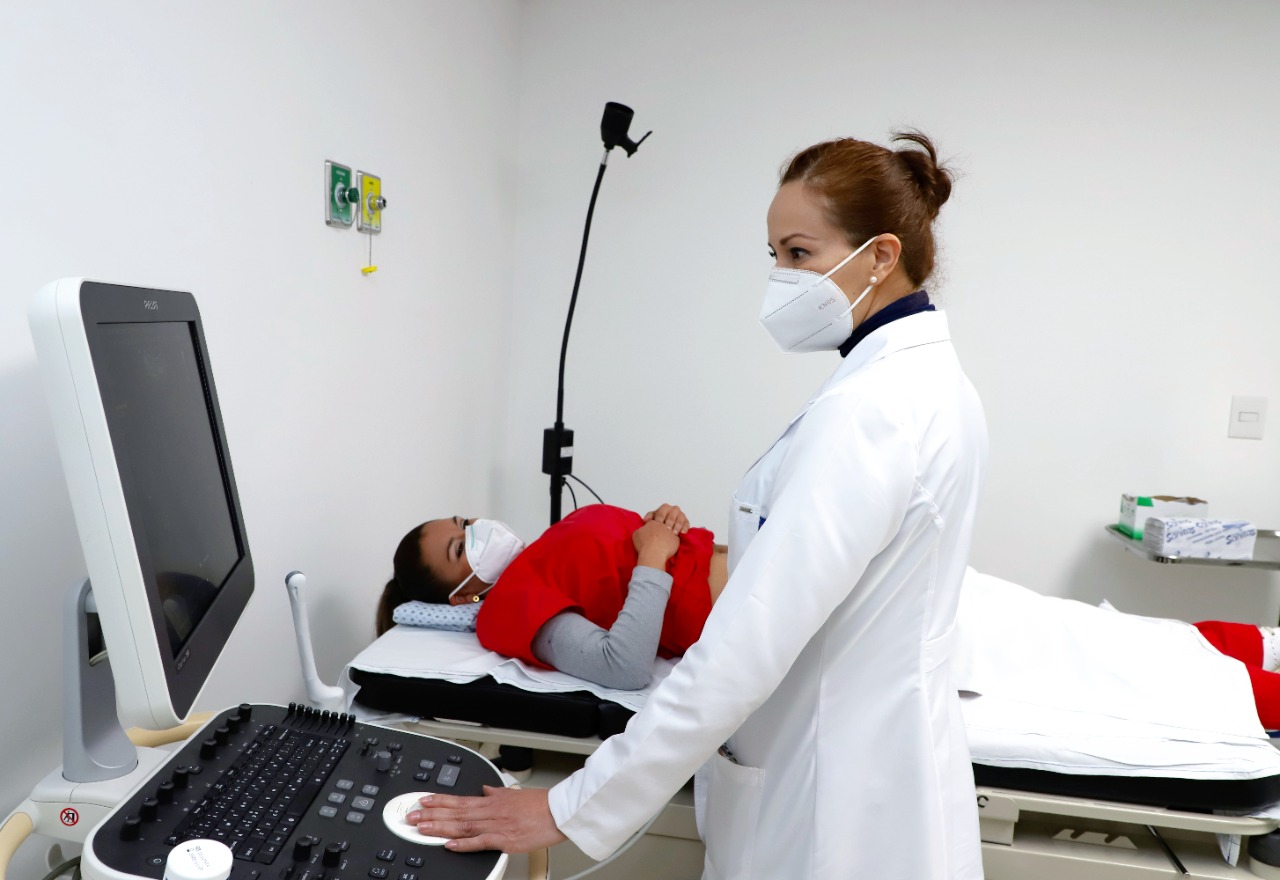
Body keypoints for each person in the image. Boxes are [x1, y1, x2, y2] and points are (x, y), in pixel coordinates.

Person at [407, 131, 988, 879]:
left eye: (799, 253)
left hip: (833, 802)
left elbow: (740, 651)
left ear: (879, 257)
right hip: (869, 764)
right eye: (774, 255)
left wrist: (569, 806)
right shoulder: (931, 385)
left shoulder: (871, 410)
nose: (781, 278)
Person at [377, 503, 729, 688]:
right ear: (460, 596)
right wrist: (654, 554)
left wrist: (664, 522)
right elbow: (625, 667)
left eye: (464, 523)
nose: (476, 531)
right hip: (734, 607)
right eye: (459, 549)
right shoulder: (505, 611)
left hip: (742, 555)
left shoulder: (543, 547)